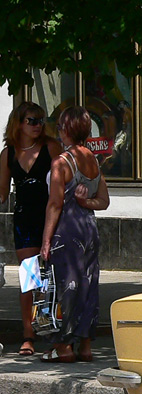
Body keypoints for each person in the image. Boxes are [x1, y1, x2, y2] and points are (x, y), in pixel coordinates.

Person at [40, 107, 110, 363]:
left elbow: (55, 204)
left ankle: (63, 346)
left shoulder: (61, 162)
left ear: (67, 130)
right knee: (88, 285)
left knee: (64, 286)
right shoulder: (93, 159)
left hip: (66, 231)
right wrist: (85, 203)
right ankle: (86, 345)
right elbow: (103, 201)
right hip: (89, 229)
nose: (58, 132)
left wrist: (46, 240)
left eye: (59, 127)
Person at [0, 102, 62, 356]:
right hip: (25, 219)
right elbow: (2, 192)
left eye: (40, 120)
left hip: (51, 216)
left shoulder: (51, 147)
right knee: (29, 279)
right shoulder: (9, 153)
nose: (38, 125)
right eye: (31, 120)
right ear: (19, 123)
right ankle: (29, 335)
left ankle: (56, 331)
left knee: (53, 279)